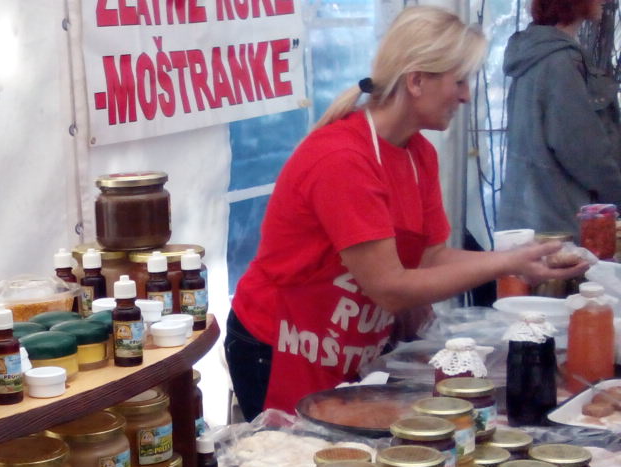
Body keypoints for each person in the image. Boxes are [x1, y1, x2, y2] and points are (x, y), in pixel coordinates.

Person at [226, 6, 590, 421]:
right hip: (281, 345)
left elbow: (431, 258)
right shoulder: (342, 158)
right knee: (299, 456)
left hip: (346, 344)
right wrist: (506, 264)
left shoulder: (418, 154)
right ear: (416, 81)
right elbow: (389, 288)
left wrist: (520, 259)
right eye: (459, 81)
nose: (466, 95)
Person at [498, 0, 621, 234]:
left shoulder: (534, 53)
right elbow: (584, 151)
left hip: (528, 220)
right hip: (557, 225)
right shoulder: (559, 62)